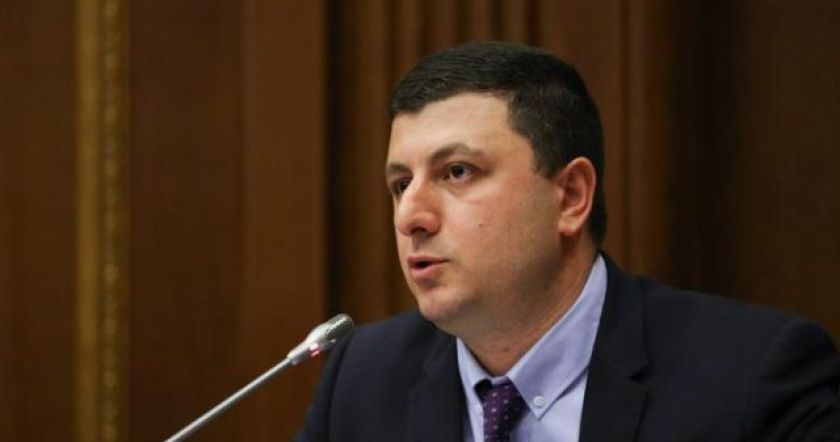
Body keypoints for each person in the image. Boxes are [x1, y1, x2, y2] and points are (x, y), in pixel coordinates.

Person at [295, 41, 840, 441]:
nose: (411, 216)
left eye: (457, 172)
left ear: (571, 196)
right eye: (400, 184)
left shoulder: (751, 379)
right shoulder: (363, 382)